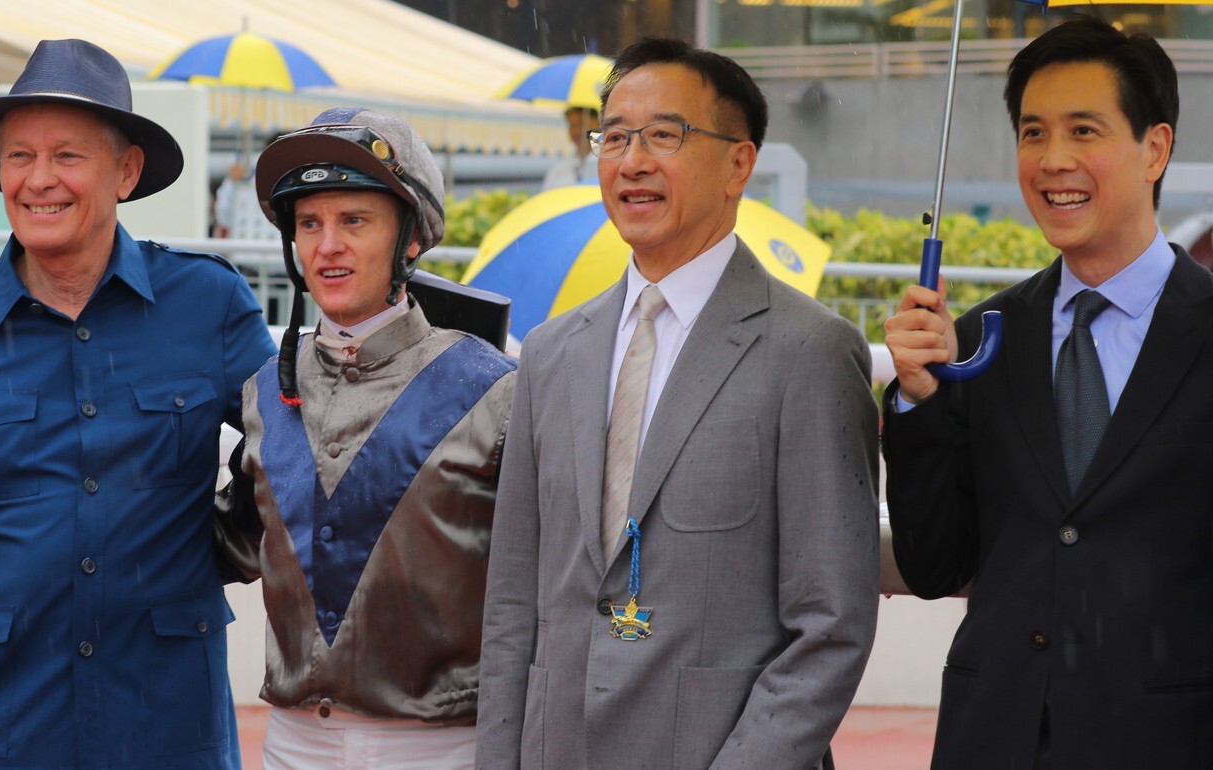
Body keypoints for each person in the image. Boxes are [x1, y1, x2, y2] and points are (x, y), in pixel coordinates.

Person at [476, 38, 879, 770]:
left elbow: (831, 626)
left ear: (738, 163)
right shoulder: (550, 351)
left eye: (665, 135)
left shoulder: (809, 351)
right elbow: (512, 604)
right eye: (615, 136)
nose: (631, 161)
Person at [0, 39, 275, 768]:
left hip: (167, 727)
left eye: (68, 156)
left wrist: (234, 540)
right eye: (19, 158)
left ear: (126, 171)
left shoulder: (210, 306)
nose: (40, 181)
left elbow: (299, 455)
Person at [881, 15, 1210, 768]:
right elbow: (932, 564)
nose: (1052, 160)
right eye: (1033, 133)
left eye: (1084, 131)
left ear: (1154, 147)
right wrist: (918, 398)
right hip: (993, 736)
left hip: (1170, 738)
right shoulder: (976, 339)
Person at [213, 107, 517, 769]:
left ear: (409, 239)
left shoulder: (499, 389)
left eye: (354, 221)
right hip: (293, 744)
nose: (327, 247)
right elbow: (230, 548)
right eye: (309, 224)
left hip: (444, 747)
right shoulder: (265, 392)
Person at [541, 103, 599, 190]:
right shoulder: (558, 171)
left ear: (597, 124)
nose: (576, 131)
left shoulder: (606, 164)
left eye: (581, 123)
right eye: (572, 125)